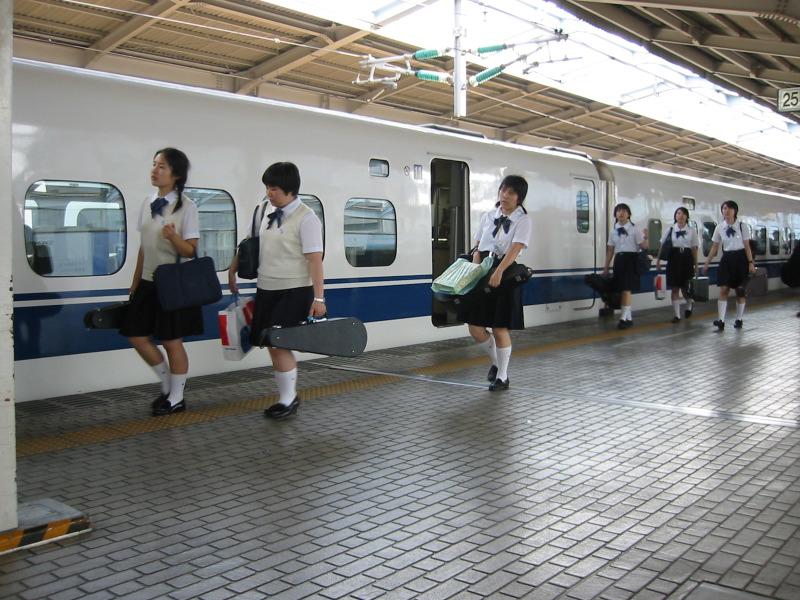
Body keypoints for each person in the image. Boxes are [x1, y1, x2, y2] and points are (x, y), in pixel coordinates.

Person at [228, 162, 325, 419]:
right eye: (267, 188)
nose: (269, 193)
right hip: (267, 288)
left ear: (290, 189)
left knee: (279, 344)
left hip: (293, 290)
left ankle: (288, 399)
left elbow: (314, 259)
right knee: (272, 345)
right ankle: (287, 397)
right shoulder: (263, 211)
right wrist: (232, 269)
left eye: (274, 189)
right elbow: (248, 243)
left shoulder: (306, 218)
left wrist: (319, 298)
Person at [120, 148, 203, 416]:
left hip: (172, 283)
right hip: (148, 282)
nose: (154, 170)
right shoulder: (148, 202)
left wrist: (173, 237)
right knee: (136, 335)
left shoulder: (187, 207)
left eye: (162, 166)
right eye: (154, 164)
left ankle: (176, 397)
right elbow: (144, 247)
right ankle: (167, 384)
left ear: (176, 174)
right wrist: (136, 281)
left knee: (171, 340)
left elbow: (191, 250)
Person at [456, 175, 532, 392]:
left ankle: (502, 377)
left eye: (511, 192)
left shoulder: (523, 220)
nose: (504, 195)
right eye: (503, 190)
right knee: (475, 326)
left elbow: (515, 248)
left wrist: (499, 272)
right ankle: (497, 362)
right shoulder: (489, 216)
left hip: (505, 272)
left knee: (499, 327)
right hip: (483, 268)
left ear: (519, 197)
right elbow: (477, 244)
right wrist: (476, 267)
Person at [702, 200, 756, 330]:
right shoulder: (719, 228)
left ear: (735, 211)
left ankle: (739, 319)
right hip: (727, 259)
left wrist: (751, 263)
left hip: (741, 258)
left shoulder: (742, 227)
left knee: (740, 290)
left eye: (729, 208)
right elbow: (715, 247)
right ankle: (721, 320)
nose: (727, 211)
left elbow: (747, 246)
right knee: (723, 288)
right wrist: (706, 263)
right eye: (724, 208)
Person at [604, 203, 647, 329]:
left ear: (628, 214)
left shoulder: (635, 229)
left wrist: (646, 237)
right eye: (618, 211)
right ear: (615, 214)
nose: (620, 213)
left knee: (626, 289)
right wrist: (606, 266)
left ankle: (623, 319)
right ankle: (629, 318)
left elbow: (643, 246)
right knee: (621, 289)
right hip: (619, 260)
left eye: (623, 211)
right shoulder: (613, 230)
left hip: (631, 260)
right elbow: (610, 250)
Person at [655, 207, 699, 323]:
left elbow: (694, 249)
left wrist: (696, 265)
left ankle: (689, 305)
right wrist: (658, 261)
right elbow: (662, 245)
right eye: (678, 213)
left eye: (683, 214)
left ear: (687, 217)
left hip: (686, 259)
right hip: (673, 259)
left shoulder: (691, 231)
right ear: (675, 216)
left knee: (685, 288)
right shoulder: (670, 230)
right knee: (674, 288)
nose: (680, 216)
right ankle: (677, 315)